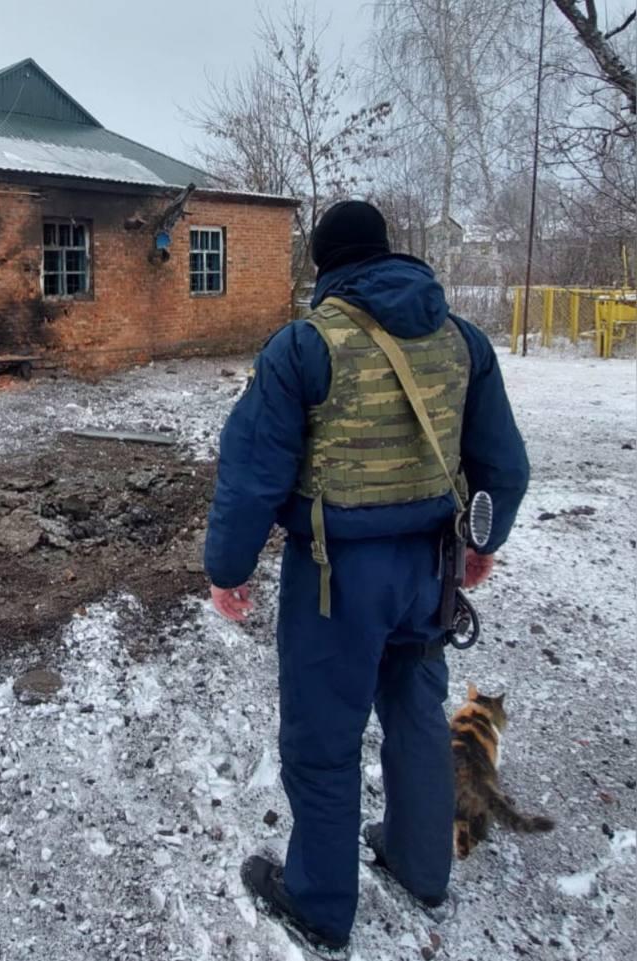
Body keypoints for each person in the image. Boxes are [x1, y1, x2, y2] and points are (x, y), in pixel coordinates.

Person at [203, 200, 530, 954]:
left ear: (326, 268)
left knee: (322, 738)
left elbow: (252, 473)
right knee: (417, 711)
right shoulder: (462, 341)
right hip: (430, 569)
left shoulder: (302, 348)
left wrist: (227, 567)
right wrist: (486, 539)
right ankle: (421, 865)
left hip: (334, 580)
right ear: (388, 253)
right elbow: (503, 464)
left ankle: (319, 902)